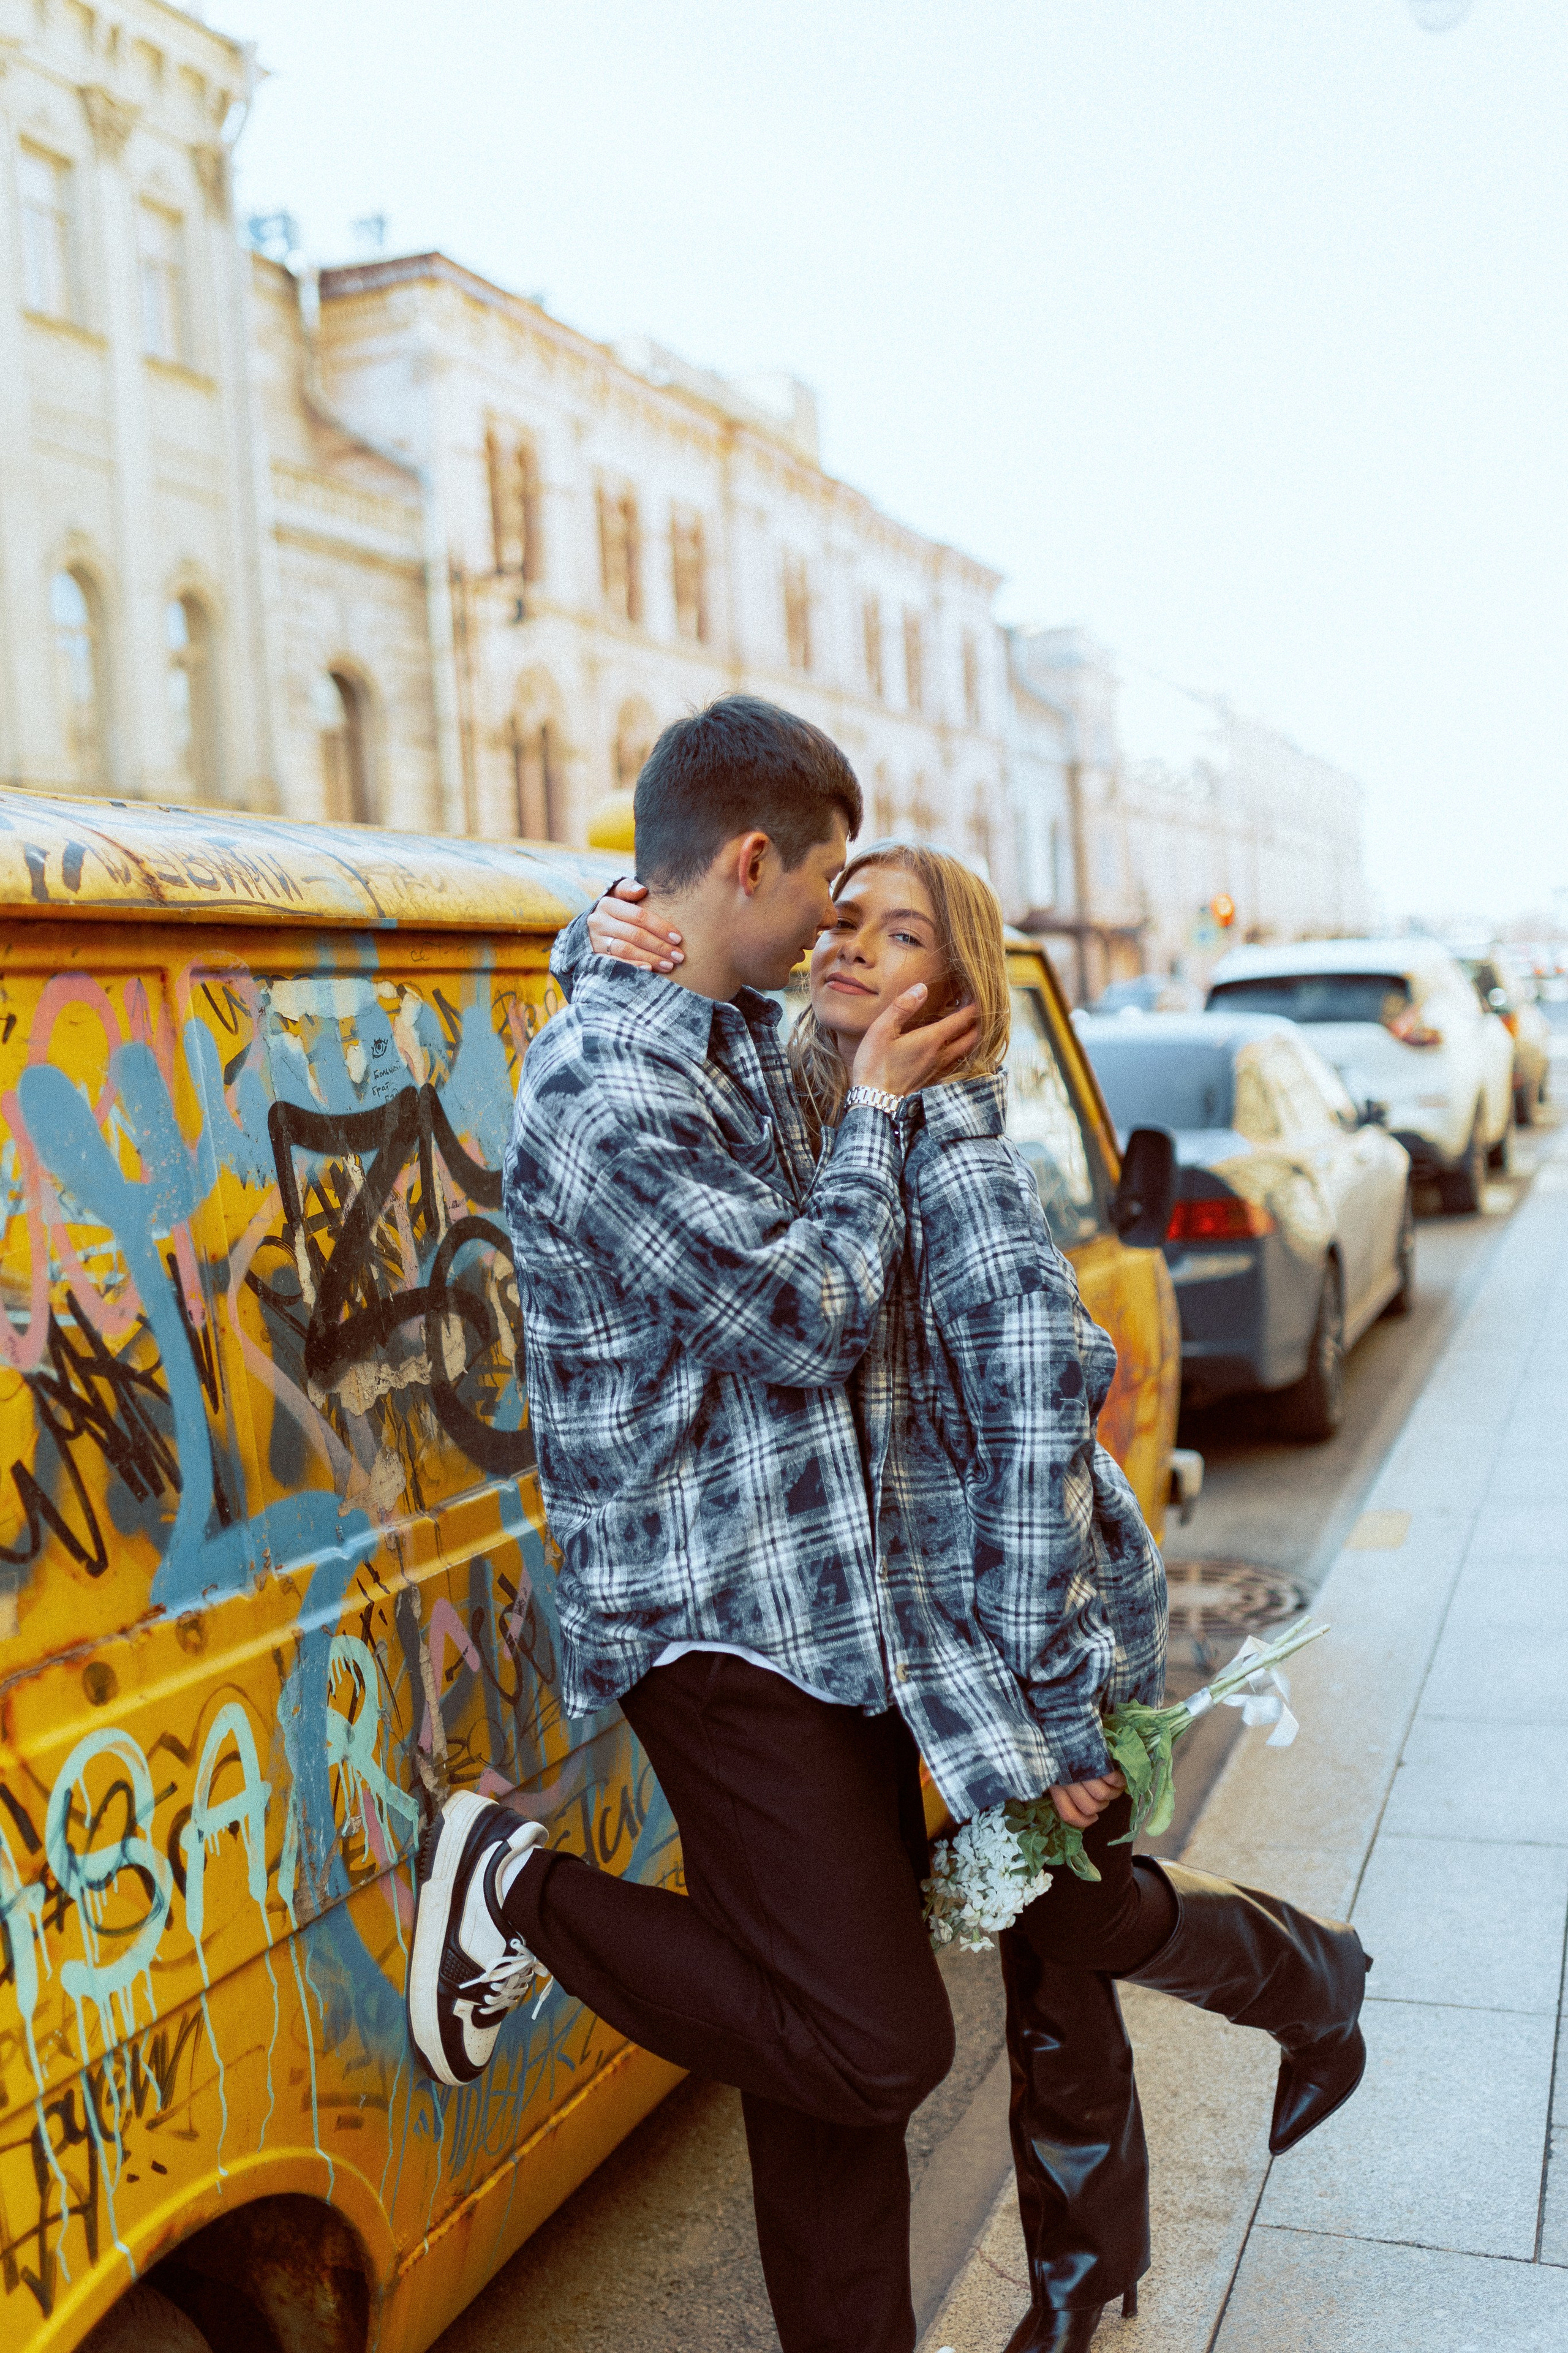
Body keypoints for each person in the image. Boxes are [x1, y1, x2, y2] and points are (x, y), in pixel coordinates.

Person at [592, 839, 1372, 2353]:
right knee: (1049, 1926)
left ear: (955, 993)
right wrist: (600, 932)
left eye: (898, 936)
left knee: (1061, 1931)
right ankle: (1259, 2051)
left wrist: (1049, 1711)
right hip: (930, 1640)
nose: (850, 949)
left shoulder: (956, 1168)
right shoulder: (825, 1100)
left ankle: (1257, 2047)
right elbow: (671, 991)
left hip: (1030, 1634)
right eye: (840, 922)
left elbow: (1033, 1452)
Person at [405, 695, 981, 2353]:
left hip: (823, 1607)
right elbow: (798, 1317)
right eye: (822, 890)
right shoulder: (611, 1083)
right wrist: (874, 1108)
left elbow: (678, 982)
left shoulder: (700, 1004)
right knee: (879, 2040)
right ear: (748, 859)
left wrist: (621, 947)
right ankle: (514, 1889)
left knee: (822, 2075)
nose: (831, 928)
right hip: (720, 1629)